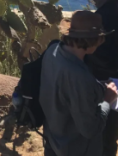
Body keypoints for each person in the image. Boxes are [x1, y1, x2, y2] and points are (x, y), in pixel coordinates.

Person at [40, 11, 118, 156]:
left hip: (52, 137)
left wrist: (96, 86)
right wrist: (108, 100)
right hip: (76, 148)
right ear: (95, 40)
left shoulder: (52, 51)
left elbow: (64, 89)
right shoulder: (80, 77)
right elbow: (90, 129)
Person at [86, 0, 118, 156]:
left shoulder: (101, 18)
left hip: (106, 82)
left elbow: (95, 54)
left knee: (101, 130)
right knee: (111, 133)